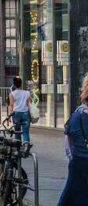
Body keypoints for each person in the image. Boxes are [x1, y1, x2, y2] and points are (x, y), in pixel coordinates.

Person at [59, 73, 88, 205]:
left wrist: (74, 158)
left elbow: (68, 145)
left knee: (70, 197)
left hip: (78, 163)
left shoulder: (77, 115)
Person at [9, 76, 31, 144]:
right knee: (26, 131)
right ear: (21, 84)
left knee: (17, 131)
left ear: (14, 84)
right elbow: (29, 104)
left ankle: (18, 147)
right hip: (25, 113)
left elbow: (11, 105)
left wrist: (10, 115)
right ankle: (26, 146)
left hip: (16, 114)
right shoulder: (27, 93)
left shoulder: (12, 94)